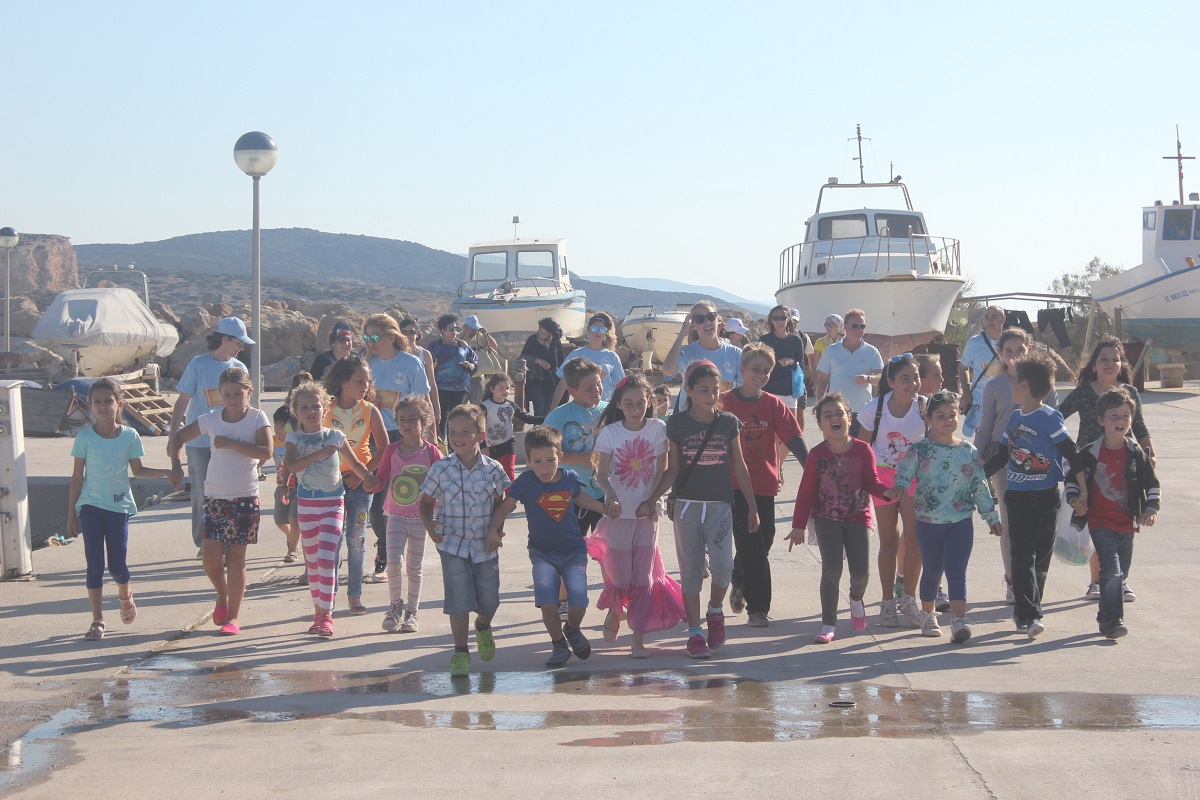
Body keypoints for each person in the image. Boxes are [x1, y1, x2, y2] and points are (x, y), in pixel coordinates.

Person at [644, 361, 758, 659]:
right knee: (691, 571)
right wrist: (653, 497)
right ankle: (695, 633)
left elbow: (740, 466)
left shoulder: (728, 422)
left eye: (715, 389)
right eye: (704, 390)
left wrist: (752, 506)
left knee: (723, 566)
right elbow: (672, 469)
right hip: (687, 507)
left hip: (720, 506)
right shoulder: (677, 424)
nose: (710, 395)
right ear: (689, 391)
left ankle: (715, 611)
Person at [68, 379, 182, 641]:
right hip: (90, 508)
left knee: (117, 566)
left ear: (119, 404)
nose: (102, 406)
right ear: (90, 405)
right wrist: (71, 514)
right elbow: (76, 478)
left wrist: (166, 472)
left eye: (108, 401)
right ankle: (97, 619)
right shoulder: (84, 438)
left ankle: (125, 592)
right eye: (97, 402)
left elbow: (138, 471)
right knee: (94, 565)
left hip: (118, 508)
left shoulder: (129, 436)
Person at [983, 355, 1088, 639]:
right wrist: (977, 474)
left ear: (1025, 385)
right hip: (1018, 498)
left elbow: (1071, 452)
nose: (1011, 386)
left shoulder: (1050, 417)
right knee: (1022, 555)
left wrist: (1082, 489)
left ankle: (1026, 611)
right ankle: (1031, 614)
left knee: (1041, 558)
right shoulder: (1014, 418)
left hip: (1046, 498)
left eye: (1014, 381)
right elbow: (1003, 456)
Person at [489, 426, 608, 668]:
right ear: (528, 460)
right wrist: (493, 529)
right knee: (548, 603)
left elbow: (581, 497)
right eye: (538, 462)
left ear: (560, 457)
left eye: (550, 460)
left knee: (579, 603)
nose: (544, 467)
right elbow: (505, 507)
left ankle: (572, 630)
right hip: (542, 553)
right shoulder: (525, 482)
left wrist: (604, 509)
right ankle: (558, 644)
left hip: (573, 550)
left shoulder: (569, 478)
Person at [892, 391, 1002, 643]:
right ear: (928, 419)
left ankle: (958, 620)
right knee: (932, 570)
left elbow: (979, 485)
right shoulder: (920, 449)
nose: (947, 420)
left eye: (952, 414)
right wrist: (899, 487)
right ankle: (928, 615)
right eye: (940, 416)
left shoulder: (968, 451)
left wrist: (991, 516)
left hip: (960, 521)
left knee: (956, 570)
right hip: (928, 522)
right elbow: (903, 473)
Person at [169, 367, 272, 635]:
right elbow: (179, 437)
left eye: (238, 393)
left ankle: (233, 617)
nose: (233, 399)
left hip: (245, 497)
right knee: (210, 559)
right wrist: (176, 466)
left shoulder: (257, 417)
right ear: (220, 395)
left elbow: (266, 451)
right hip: (215, 496)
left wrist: (232, 444)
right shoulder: (212, 418)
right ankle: (222, 595)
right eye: (227, 394)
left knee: (236, 559)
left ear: (249, 392)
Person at [589, 374, 686, 657]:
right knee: (620, 577)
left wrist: (652, 500)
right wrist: (611, 495)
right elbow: (601, 474)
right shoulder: (610, 433)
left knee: (643, 579)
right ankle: (615, 610)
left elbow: (664, 471)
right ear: (619, 404)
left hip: (647, 514)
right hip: (619, 514)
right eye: (629, 403)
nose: (635, 408)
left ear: (649, 402)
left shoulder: (658, 429)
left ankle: (638, 638)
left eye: (641, 402)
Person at [785, 393, 890, 644]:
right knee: (831, 570)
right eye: (828, 415)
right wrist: (798, 526)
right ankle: (828, 624)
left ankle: (856, 598)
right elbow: (806, 492)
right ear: (820, 424)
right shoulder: (817, 455)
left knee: (861, 574)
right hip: (826, 518)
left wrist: (887, 492)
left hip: (858, 517)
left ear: (849, 418)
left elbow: (872, 482)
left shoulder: (863, 450)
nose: (835, 418)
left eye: (839, 413)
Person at [1058, 337, 1155, 602]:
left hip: (1124, 467)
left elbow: (1140, 426)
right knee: (1097, 525)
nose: (1109, 363)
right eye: (1103, 359)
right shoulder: (1083, 393)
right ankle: (1096, 582)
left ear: (1122, 365)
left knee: (1122, 525)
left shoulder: (1129, 392)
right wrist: (1068, 452)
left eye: (1115, 359)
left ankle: (1119, 580)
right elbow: (1056, 418)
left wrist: (1150, 451)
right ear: (1094, 365)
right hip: (1090, 470)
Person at [419, 404, 511, 677]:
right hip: (452, 545)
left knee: (489, 600)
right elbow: (425, 503)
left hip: (485, 545)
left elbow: (500, 504)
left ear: (481, 436)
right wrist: (429, 526)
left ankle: (482, 626)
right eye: (452, 432)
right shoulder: (441, 469)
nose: (457, 438)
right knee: (458, 600)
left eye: (465, 432)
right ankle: (460, 651)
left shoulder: (493, 469)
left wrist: (497, 531)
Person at [721, 344, 808, 628]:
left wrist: (812, 468)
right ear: (742, 370)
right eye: (755, 369)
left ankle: (738, 578)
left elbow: (794, 437)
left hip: (764, 483)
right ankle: (757, 608)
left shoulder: (772, 404)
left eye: (766, 371)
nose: (761, 375)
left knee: (765, 538)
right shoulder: (724, 402)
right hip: (734, 484)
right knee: (751, 542)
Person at [284, 381, 379, 637]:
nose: (311, 411)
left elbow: (355, 463)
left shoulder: (335, 436)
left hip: (333, 504)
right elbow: (292, 467)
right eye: (304, 407)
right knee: (314, 564)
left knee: (326, 558)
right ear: (296, 412)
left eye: (316, 406)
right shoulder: (294, 438)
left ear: (325, 408)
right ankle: (318, 613)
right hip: (306, 505)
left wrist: (368, 477)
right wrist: (319, 454)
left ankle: (326, 616)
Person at [1064, 388, 1161, 639]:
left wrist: (1151, 508)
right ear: (1101, 420)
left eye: (1125, 415)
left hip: (1127, 522)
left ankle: (1104, 615)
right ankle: (1113, 621)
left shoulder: (1135, 453)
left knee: (1120, 573)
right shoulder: (1089, 453)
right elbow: (1072, 481)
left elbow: (1152, 483)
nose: (1120, 420)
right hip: (1100, 522)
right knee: (1112, 570)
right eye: (1114, 415)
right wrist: (1075, 500)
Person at [168, 317, 252, 553]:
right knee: (202, 493)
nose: (241, 348)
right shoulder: (198, 364)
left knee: (229, 493)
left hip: (231, 442)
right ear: (225, 340)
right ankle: (204, 543)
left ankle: (225, 540)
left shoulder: (240, 368)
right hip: (200, 443)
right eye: (238, 343)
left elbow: (247, 406)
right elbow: (182, 403)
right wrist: (174, 439)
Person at [857, 353, 927, 628]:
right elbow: (862, 449)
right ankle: (887, 603)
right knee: (888, 542)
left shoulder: (925, 407)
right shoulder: (874, 409)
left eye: (916, 378)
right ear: (891, 382)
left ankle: (909, 599)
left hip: (914, 480)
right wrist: (861, 485)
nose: (912, 384)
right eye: (905, 379)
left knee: (915, 541)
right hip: (882, 480)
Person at [363, 313, 432, 582]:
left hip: (402, 437)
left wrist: (425, 435)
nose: (370, 342)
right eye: (366, 337)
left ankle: (389, 555)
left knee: (401, 498)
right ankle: (386, 549)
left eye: (375, 336)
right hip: (372, 436)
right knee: (376, 502)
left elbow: (422, 403)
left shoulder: (411, 363)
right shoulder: (367, 364)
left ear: (391, 336)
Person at [323, 357, 389, 615]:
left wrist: (362, 475)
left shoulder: (370, 410)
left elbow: (384, 449)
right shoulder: (325, 409)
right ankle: (329, 596)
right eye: (359, 381)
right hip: (330, 483)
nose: (365, 386)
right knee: (333, 539)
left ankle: (355, 595)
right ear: (343, 382)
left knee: (357, 538)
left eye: (367, 381)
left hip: (361, 484)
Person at [974, 327, 1035, 604]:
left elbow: (1054, 419)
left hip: (1035, 460)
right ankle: (1012, 579)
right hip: (1003, 459)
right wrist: (975, 460)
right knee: (1009, 522)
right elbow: (986, 425)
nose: (1015, 356)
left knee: (1034, 522)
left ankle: (1030, 577)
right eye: (1008, 351)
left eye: (1020, 350)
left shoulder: (1041, 381)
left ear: (1029, 350)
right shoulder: (995, 385)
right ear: (1000, 353)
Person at [374, 396, 441, 634]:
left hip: (422, 519)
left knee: (414, 567)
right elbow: (380, 479)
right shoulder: (392, 450)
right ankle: (394, 607)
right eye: (402, 419)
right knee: (393, 562)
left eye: (413, 419)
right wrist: (368, 482)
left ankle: (412, 613)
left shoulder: (432, 452)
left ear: (424, 422)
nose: (406, 424)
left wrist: (440, 515)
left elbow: (443, 483)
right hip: (395, 515)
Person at [813, 308, 883, 436]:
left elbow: (882, 378)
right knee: (834, 446)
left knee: (861, 448)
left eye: (862, 326)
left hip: (863, 412)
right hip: (837, 412)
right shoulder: (831, 351)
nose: (859, 329)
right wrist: (819, 404)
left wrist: (868, 378)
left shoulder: (872, 352)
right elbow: (823, 380)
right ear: (845, 327)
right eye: (855, 326)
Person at [663, 301, 742, 413]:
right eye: (700, 319)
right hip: (690, 421)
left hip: (724, 420)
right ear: (693, 325)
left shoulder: (736, 354)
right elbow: (668, 371)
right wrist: (682, 334)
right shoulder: (685, 352)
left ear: (718, 320)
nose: (707, 322)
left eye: (711, 316)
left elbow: (743, 390)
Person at [550, 312, 625, 406]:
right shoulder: (576, 354)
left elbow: (621, 385)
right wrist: (554, 407)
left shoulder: (612, 357)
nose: (598, 332)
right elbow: (563, 381)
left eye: (602, 330)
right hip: (582, 406)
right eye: (594, 328)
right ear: (589, 330)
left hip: (605, 407)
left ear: (606, 333)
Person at [759, 304, 812, 432]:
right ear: (771, 320)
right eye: (775, 318)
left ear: (788, 319)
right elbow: (758, 364)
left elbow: (801, 364)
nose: (779, 321)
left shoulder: (796, 340)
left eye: (782, 317)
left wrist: (791, 362)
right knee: (769, 431)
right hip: (768, 390)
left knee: (789, 431)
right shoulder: (764, 340)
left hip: (789, 392)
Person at [481, 372, 543, 481]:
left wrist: (546, 417)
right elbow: (479, 427)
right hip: (490, 447)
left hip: (508, 444)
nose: (505, 391)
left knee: (509, 474)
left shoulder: (510, 405)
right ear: (492, 389)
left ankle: (511, 492)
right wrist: (482, 446)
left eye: (507, 388)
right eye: (501, 388)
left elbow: (527, 418)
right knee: (493, 478)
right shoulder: (485, 406)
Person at [428, 313, 479, 438]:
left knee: (457, 419)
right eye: (451, 329)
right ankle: (441, 445)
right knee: (442, 418)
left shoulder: (462, 345)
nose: (455, 331)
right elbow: (426, 365)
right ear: (443, 331)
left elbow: (474, 361)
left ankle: (455, 445)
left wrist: (470, 366)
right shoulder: (435, 346)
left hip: (459, 389)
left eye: (456, 328)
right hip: (440, 388)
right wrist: (432, 367)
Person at [958, 305, 1007, 437]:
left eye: (994, 317)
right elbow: (963, 368)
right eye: (986, 317)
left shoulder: (1011, 343)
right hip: (980, 403)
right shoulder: (974, 343)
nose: (989, 321)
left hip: (1005, 402)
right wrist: (966, 392)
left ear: (1003, 320)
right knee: (982, 440)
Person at [270, 404, 301, 562]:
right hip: (281, 485)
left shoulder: (296, 441)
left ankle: (293, 549)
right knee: (280, 520)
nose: (278, 429)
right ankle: (291, 537)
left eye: (282, 425)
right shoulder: (273, 441)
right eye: (276, 424)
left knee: (294, 520)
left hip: (298, 487)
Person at [399, 316, 441, 429]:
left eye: (412, 332)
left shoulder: (425, 354)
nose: (408, 335)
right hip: (401, 405)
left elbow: (432, 383)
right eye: (404, 332)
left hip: (422, 403)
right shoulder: (396, 355)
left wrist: (437, 408)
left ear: (417, 334)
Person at [519, 317, 566, 417]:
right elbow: (523, 356)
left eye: (544, 333)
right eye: (540, 331)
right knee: (539, 409)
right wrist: (537, 360)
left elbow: (561, 360)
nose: (541, 334)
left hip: (551, 380)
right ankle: (537, 426)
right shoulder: (532, 339)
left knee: (550, 409)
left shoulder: (555, 341)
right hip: (535, 379)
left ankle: (547, 426)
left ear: (550, 333)